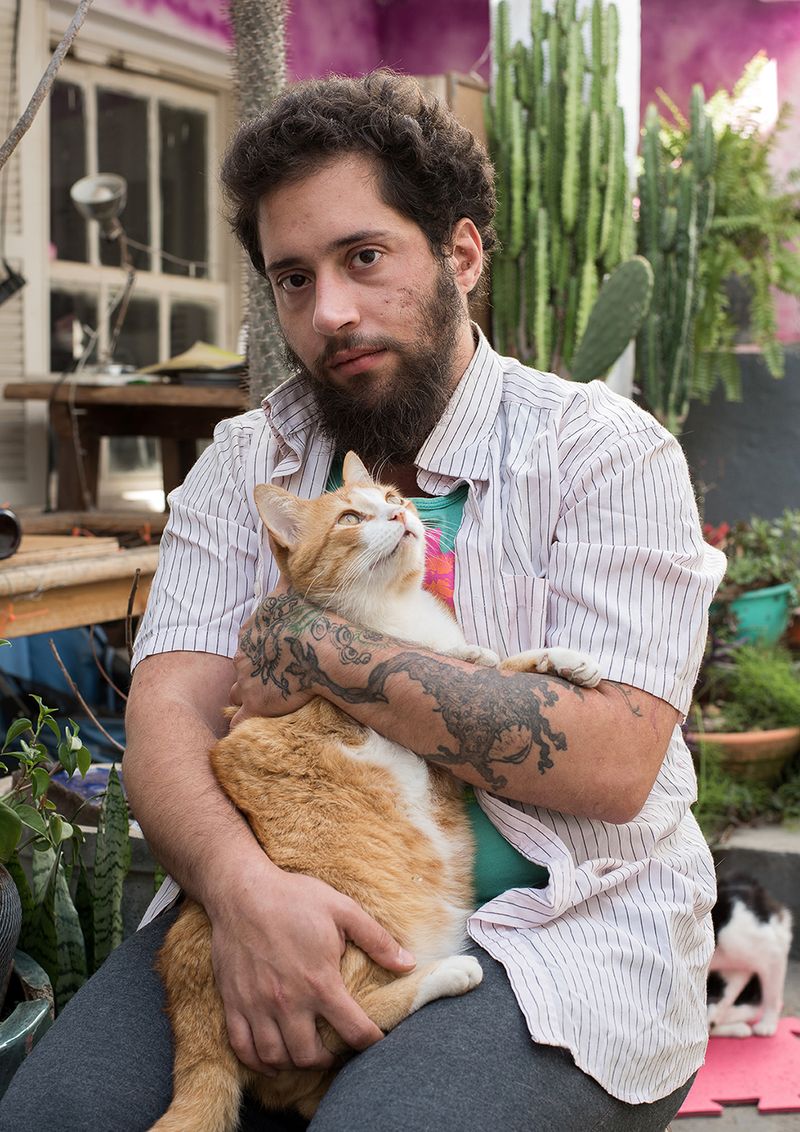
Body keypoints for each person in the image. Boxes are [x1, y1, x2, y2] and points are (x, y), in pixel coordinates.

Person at [0, 71, 725, 1131]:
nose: (330, 311)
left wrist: (315, 647)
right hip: (273, 883)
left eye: (364, 257)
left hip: (557, 928)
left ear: (460, 255)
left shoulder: (603, 452)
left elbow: (612, 761)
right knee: (58, 1113)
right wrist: (246, 894)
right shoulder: (246, 464)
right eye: (293, 279)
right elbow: (165, 723)